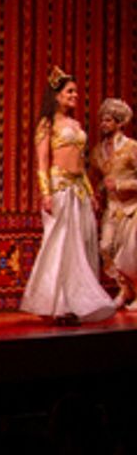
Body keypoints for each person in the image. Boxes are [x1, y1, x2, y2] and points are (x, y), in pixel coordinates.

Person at [20, 67, 115, 323]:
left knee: (80, 247)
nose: (75, 95)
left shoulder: (75, 124)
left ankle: (76, 303)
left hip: (79, 189)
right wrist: (46, 193)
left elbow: (81, 164)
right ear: (57, 95)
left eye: (75, 91)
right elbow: (42, 161)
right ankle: (59, 305)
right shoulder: (47, 123)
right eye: (69, 91)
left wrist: (90, 191)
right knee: (61, 245)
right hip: (60, 187)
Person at [91, 98, 137, 309]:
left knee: (130, 255)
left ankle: (133, 291)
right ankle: (125, 289)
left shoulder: (131, 147)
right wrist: (97, 193)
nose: (103, 124)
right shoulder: (97, 152)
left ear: (119, 123)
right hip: (111, 209)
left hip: (131, 208)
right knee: (105, 247)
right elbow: (98, 179)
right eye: (102, 120)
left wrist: (120, 184)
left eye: (108, 120)